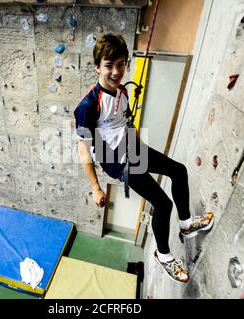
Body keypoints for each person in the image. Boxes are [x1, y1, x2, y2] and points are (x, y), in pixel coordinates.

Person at [74, 33, 215, 283]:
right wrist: (95, 188)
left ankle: (185, 223)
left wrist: (141, 148)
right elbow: (83, 148)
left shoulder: (123, 94)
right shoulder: (87, 106)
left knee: (178, 170)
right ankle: (164, 255)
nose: (116, 71)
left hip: (133, 149)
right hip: (117, 161)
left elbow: (128, 123)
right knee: (162, 204)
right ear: (97, 67)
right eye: (109, 65)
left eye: (120, 64)